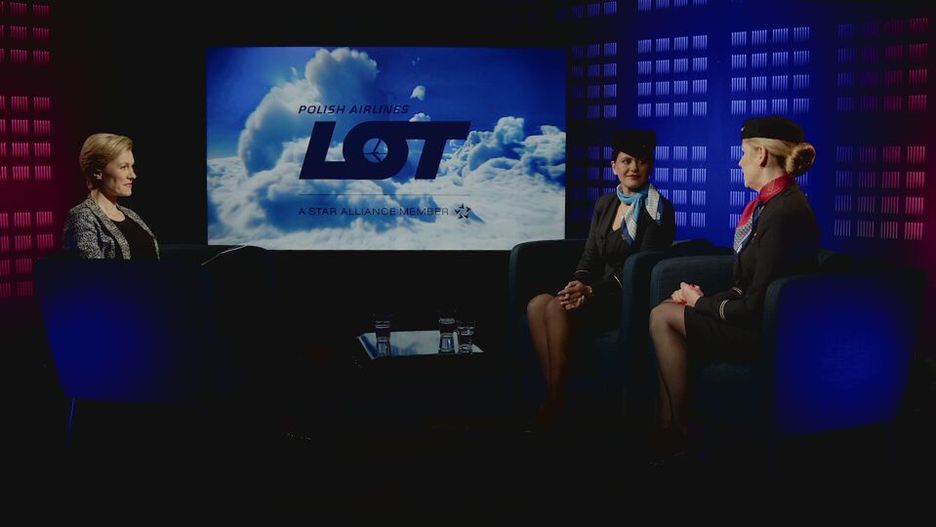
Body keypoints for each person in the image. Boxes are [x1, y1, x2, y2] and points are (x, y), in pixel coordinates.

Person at [648, 115, 819, 458]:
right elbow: (748, 284)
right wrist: (699, 299)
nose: (739, 162)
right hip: (758, 319)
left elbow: (756, 305)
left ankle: (679, 430)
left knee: (661, 316)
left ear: (761, 155)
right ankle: (669, 426)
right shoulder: (774, 205)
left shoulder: (783, 214)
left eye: (743, 153)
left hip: (766, 333)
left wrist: (700, 304)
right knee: (668, 307)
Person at [526, 129, 676, 429]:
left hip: (626, 298)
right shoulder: (605, 204)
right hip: (594, 290)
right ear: (613, 166)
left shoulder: (657, 210)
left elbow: (640, 271)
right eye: (626, 161)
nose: (634, 168)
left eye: (641, 161)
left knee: (554, 307)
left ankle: (555, 400)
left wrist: (591, 291)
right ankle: (556, 391)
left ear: (650, 165)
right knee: (536, 304)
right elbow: (590, 256)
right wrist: (578, 284)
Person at [63, 133, 159, 260]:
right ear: (98, 172)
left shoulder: (131, 215)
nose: (133, 175)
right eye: (123, 167)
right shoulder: (82, 217)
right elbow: (92, 269)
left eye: (132, 166)